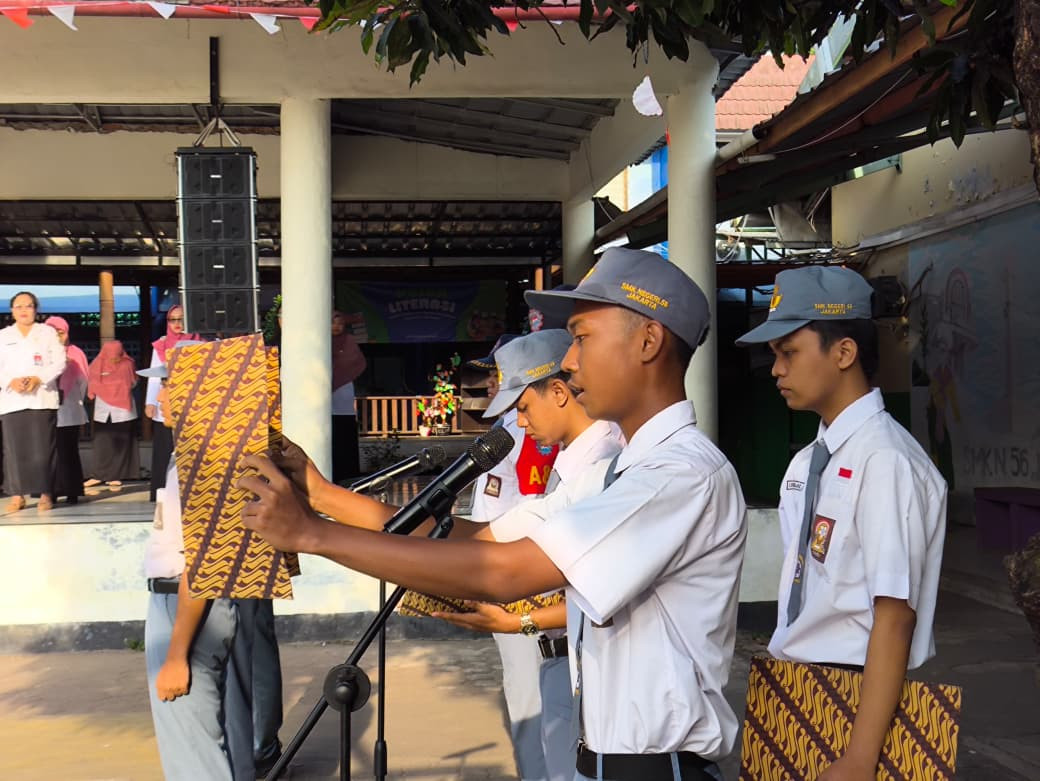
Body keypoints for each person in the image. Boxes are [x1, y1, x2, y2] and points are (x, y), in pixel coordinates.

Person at [241, 248, 748, 781]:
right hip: (608, 760)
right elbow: (480, 540)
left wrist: (313, 535)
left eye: (582, 337)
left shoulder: (680, 474)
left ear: (648, 341)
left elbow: (504, 575)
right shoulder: (618, 472)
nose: (570, 361)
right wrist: (321, 496)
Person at [735, 265, 947, 780]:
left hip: (852, 698)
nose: (776, 369)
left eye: (789, 352)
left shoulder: (886, 461)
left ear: (844, 352)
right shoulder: (810, 460)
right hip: (794, 688)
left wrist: (858, 757)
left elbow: (894, 617)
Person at [435, 328, 624, 781]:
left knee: (549, 727)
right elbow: (503, 526)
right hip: (537, 607)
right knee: (543, 721)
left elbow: (532, 540)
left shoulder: (611, 461)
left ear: (559, 389)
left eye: (522, 405)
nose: (518, 421)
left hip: (543, 606)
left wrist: (515, 616)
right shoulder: (574, 457)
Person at [139, 345, 254, 781]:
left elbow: (202, 564)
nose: (160, 395)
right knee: (222, 742)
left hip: (185, 606)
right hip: (199, 605)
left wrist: (175, 655)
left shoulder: (200, 461)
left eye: (169, 384)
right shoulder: (198, 451)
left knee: (194, 758)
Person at [465, 332, 559, 781]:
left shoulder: (520, 435)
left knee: (538, 704)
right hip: (514, 573)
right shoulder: (508, 432)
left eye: (498, 377)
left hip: (529, 580)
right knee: (534, 702)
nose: (490, 385)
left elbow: (513, 517)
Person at [0, 291, 65, 513]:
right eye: (18, 307)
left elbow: (59, 362)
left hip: (41, 399)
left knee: (43, 450)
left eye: (28, 306)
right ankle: (17, 496)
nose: (23, 310)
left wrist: (39, 378)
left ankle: (46, 494)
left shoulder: (47, 332)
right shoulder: (3, 335)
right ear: (12, 311)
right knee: (14, 450)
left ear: (35, 309)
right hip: (12, 400)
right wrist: (11, 381)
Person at [145, 304, 197, 501]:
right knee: (164, 448)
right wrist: (150, 402)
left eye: (181, 319)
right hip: (165, 405)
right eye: (172, 320)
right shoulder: (161, 345)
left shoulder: (199, 342)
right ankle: (160, 490)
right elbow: (153, 376)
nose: (177, 324)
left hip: (190, 406)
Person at [45, 316, 88, 505]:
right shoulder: (41, 354)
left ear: (67, 333)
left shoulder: (76, 353)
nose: (57, 337)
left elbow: (84, 381)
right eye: (52, 333)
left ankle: (72, 491)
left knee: (68, 451)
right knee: (48, 453)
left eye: (60, 333)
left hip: (70, 410)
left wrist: (74, 398)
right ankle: (49, 492)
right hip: (46, 410)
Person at [84, 340, 138, 491]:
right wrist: (109, 388)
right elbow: (92, 382)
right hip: (103, 408)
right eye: (111, 355)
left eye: (117, 355)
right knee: (102, 443)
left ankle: (115, 476)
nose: (114, 359)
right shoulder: (97, 364)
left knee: (121, 444)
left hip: (123, 408)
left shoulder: (127, 364)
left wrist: (114, 387)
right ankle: (98, 475)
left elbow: (133, 382)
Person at [331, 310, 367, 484]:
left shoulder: (349, 341)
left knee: (344, 430)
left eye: (340, 323)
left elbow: (356, 362)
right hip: (323, 392)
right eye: (333, 322)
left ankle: (349, 476)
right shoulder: (321, 341)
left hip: (344, 389)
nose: (337, 327)